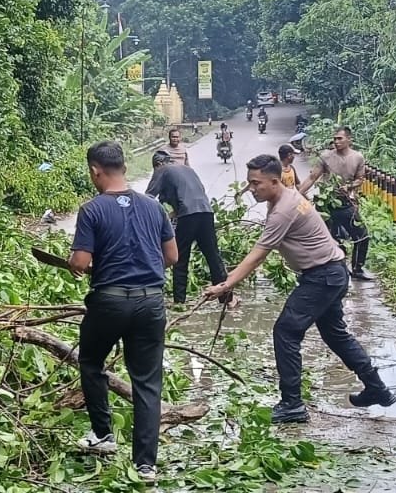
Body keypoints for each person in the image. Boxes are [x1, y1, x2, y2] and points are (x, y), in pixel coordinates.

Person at [205, 155, 396, 423]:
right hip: (331, 271)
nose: (252, 189)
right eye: (249, 183)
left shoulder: (284, 209)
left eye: (256, 183)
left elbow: (259, 255)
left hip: (323, 276)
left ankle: (292, 404)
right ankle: (376, 388)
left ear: (274, 181)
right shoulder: (287, 197)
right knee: (336, 335)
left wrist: (225, 285)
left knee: (285, 331)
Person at [68, 141, 177, 481]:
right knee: (147, 381)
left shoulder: (92, 210)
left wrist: (77, 263)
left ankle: (103, 434)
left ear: (95, 170)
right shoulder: (153, 207)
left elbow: (81, 261)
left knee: (90, 362)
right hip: (150, 302)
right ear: (124, 167)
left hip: (110, 301)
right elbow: (171, 257)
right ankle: (145, 464)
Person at [146, 150, 228, 305]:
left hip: (188, 215)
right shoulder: (187, 169)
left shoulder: (162, 169)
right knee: (213, 257)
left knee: (180, 258)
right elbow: (194, 193)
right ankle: (226, 299)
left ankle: (179, 302)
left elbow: (148, 196)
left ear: (158, 164)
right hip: (206, 212)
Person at [297, 127, 372, 280]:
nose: (336, 141)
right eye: (335, 139)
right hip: (326, 203)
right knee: (325, 238)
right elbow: (312, 178)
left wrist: (349, 186)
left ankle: (357, 268)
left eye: (340, 138)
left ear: (349, 139)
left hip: (345, 202)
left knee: (362, 236)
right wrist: (297, 195)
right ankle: (320, 270)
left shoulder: (358, 157)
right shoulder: (326, 157)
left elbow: (360, 179)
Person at [234, 144, 300, 200]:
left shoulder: (291, 169)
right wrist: (241, 192)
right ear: (289, 155)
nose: (294, 157)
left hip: (291, 200)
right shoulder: (276, 171)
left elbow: (298, 184)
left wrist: (305, 198)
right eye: (293, 155)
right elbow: (255, 182)